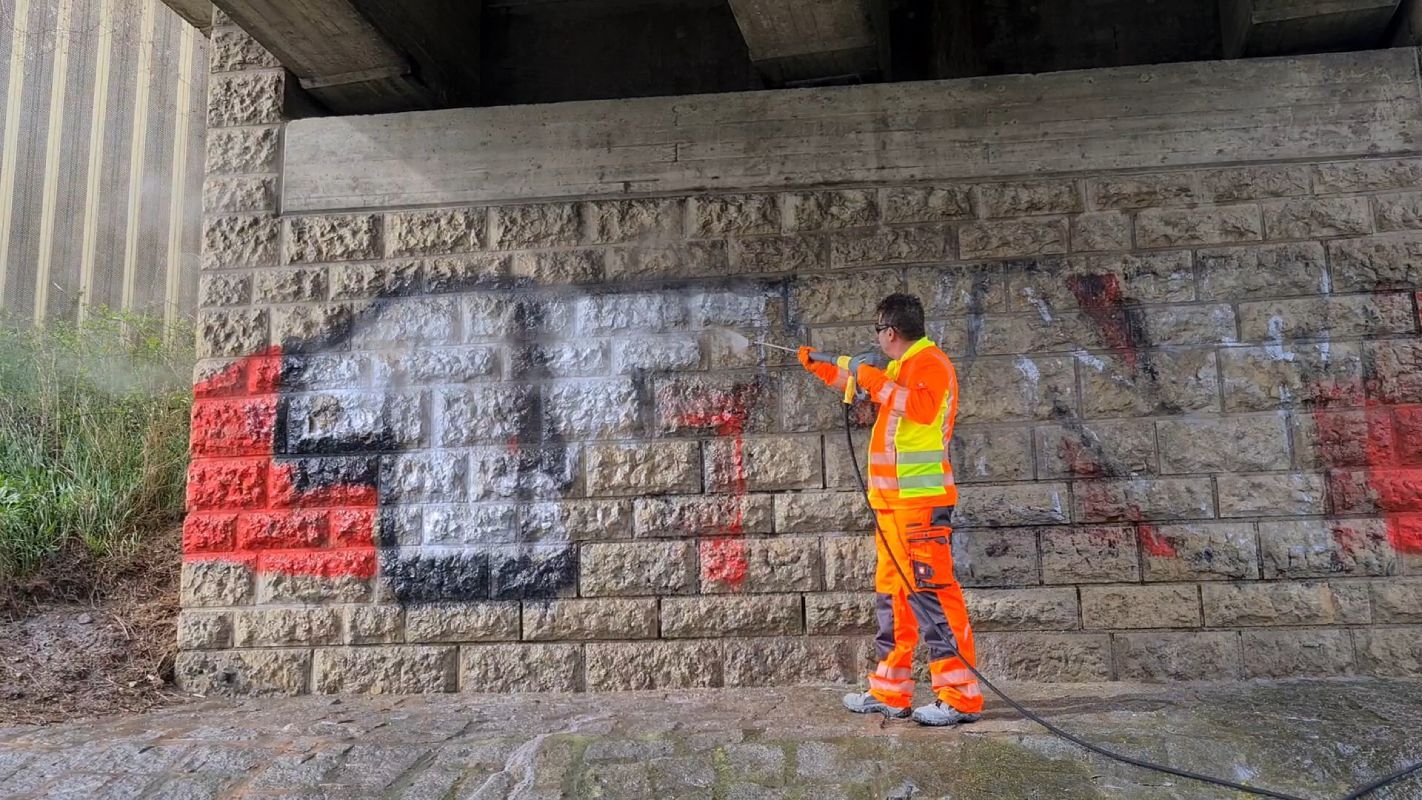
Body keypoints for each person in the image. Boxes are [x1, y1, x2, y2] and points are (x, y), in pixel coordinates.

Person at [798, 293, 983, 726]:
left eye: (877, 331)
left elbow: (917, 408)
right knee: (893, 597)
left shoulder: (931, 365)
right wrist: (822, 366)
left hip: (919, 507)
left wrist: (871, 378)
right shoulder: (901, 368)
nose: (876, 339)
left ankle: (959, 697)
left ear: (890, 331)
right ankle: (890, 691)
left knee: (933, 596)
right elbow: (864, 384)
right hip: (893, 507)